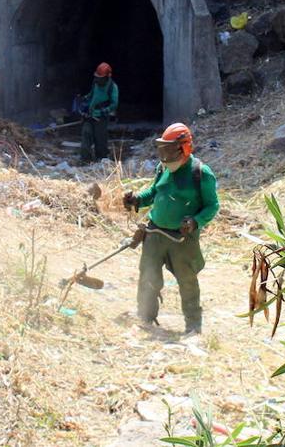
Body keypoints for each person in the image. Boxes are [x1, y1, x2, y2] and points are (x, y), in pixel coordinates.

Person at [123, 123, 219, 335]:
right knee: (148, 276)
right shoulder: (162, 168)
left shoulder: (200, 173)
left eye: (170, 150)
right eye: (162, 150)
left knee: (187, 282)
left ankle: (193, 326)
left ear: (184, 148)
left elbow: (213, 206)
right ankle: (145, 318)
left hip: (181, 240)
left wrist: (195, 222)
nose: (165, 156)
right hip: (155, 233)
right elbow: (154, 192)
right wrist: (136, 200)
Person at [80, 62, 118, 163]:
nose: (97, 80)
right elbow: (91, 94)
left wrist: (101, 112)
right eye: (97, 77)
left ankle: (101, 159)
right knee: (86, 134)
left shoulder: (112, 87)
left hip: (101, 118)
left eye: (100, 78)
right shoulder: (95, 83)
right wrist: (84, 99)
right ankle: (85, 160)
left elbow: (114, 104)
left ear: (106, 77)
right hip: (90, 115)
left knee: (100, 139)